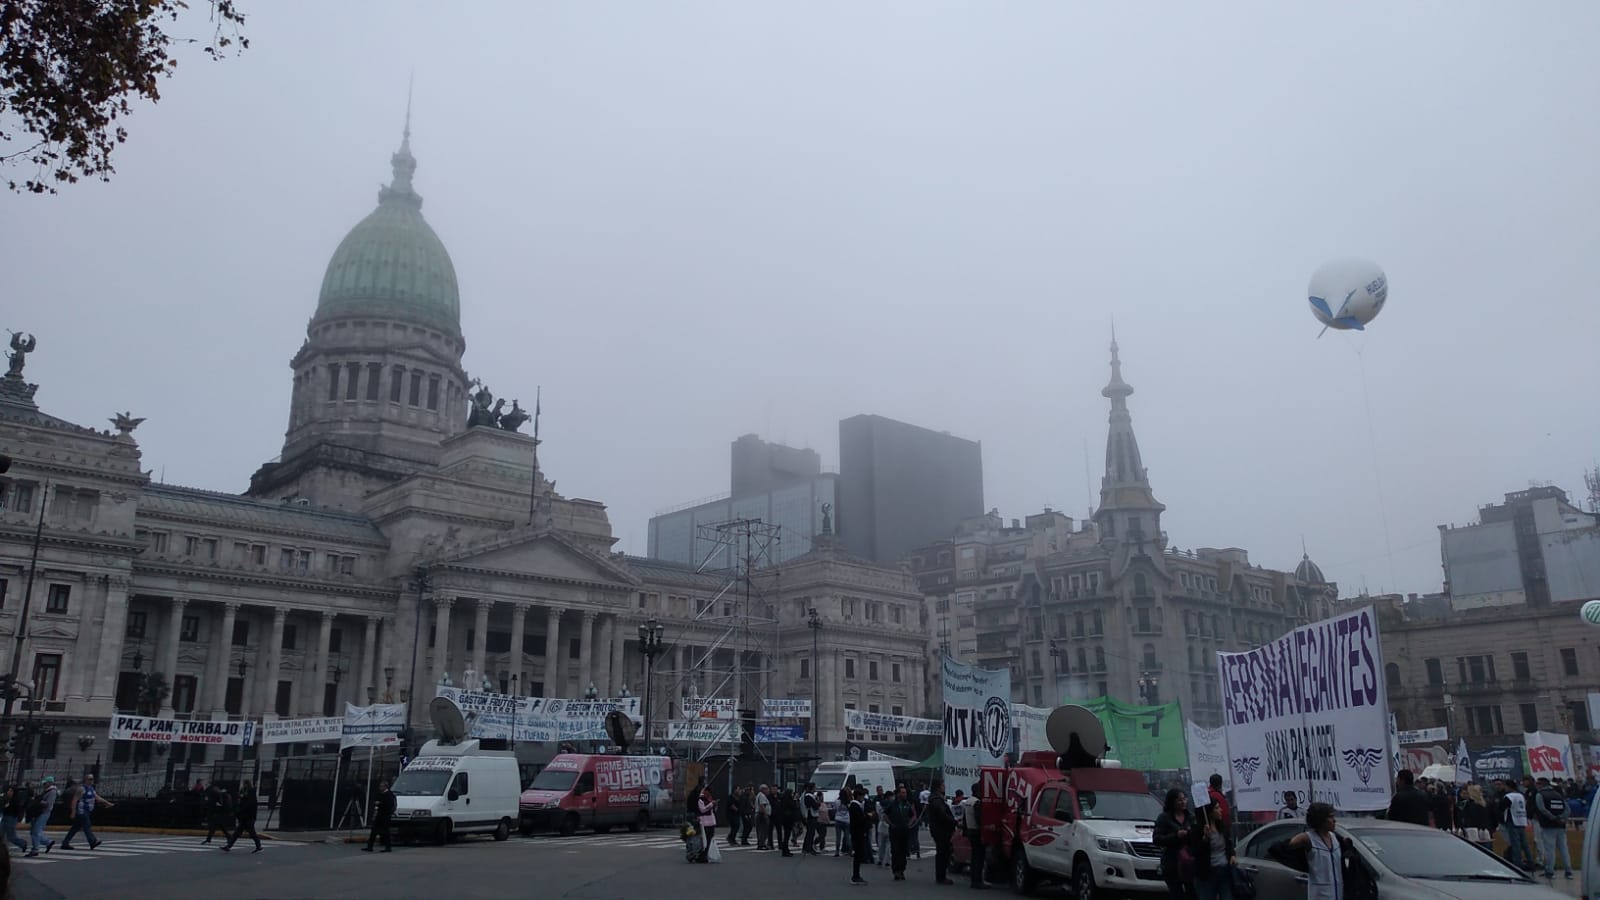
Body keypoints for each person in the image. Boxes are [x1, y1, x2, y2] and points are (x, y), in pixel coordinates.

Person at [1286, 802, 1343, 900]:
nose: (1334, 820)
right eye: (1330, 817)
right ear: (1320, 820)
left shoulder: (1334, 838)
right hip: (1320, 895)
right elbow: (1291, 844)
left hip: (1337, 893)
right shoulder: (1309, 838)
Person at [1153, 788, 1198, 899]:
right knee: (1177, 894)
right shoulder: (1164, 818)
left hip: (1189, 863)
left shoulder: (1190, 817)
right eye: (1179, 800)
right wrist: (1176, 835)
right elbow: (1157, 839)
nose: (1183, 802)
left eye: (1184, 799)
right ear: (1172, 802)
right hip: (1172, 863)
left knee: (1193, 894)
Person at [1533, 777, 1573, 880]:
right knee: (1564, 849)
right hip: (1561, 826)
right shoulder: (1558, 794)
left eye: (1537, 784)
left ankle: (1550, 871)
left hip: (1548, 825)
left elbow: (1542, 809)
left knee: (1549, 849)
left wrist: (1554, 818)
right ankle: (1568, 871)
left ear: (1541, 784)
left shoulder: (1540, 795)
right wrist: (1562, 818)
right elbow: (1568, 809)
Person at [1194, 802, 1236, 900]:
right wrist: (1205, 839)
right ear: (1210, 813)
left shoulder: (1222, 827)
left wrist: (1232, 855)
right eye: (1217, 808)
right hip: (1208, 873)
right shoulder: (1197, 830)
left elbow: (1228, 845)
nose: (1220, 810)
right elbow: (1195, 851)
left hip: (1224, 870)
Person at [60, 774, 112, 850]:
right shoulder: (81, 789)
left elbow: (97, 797)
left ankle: (65, 843)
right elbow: (74, 800)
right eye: (90, 779)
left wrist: (107, 803)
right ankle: (92, 841)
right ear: (86, 780)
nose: (91, 781)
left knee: (75, 827)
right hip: (82, 811)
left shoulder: (91, 789)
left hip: (87, 811)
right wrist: (73, 811)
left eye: (92, 779)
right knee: (87, 825)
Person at [925, 782, 957, 886]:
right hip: (941, 831)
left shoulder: (935, 799)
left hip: (939, 830)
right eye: (943, 786)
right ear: (938, 788)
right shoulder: (937, 800)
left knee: (942, 853)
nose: (944, 788)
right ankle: (941, 876)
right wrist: (953, 821)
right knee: (943, 853)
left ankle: (941, 876)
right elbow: (942, 814)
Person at [884, 783, 916, 881]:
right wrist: (891, 824)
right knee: (895, 851)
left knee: (903, 851)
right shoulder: (892, 804)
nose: (904, 794)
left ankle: (902, 870)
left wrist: (909, 824)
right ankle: (896, 871)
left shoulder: (907, 804)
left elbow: (913, 815)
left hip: (904, 831)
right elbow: (885, 815)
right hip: (895, 831)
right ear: (898, 794)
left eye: (905, 792)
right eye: (902, 792)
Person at [220, 780, 262, 853]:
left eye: (244, 784)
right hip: (244, 816)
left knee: (252, 832)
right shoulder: (244, 791)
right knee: (237, 832)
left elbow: (250, 804)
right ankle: (228, 846)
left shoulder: (251, 792)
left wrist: (241, 806)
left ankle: (258, 846)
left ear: (247, 784)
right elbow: (241, 801)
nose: (243, 785)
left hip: (249, 816)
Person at [1498, 777, 1531, 869]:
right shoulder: (1521, 795)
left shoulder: (1509, 796)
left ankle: (1517, 863)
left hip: (1513, 820)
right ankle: (1530, 860)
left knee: (1515, 843)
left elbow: (1501, 807)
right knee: (1524, 843)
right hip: (1521, 820)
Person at [848, 786, 875, 886]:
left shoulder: (856, 805)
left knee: (859, 855)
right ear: (858, 796)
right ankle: (855, 876)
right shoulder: (855, 806)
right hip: (857, 832)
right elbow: (860, 819)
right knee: (858, 855)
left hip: (857, 831)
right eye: (862, 795)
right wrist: (868, 816)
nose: (863, 797)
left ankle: (856, 875)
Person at [25, 776, 57, 858]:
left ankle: (35, 849)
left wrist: (38, 801)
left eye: (45, 783)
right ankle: (48, 842)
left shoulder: (52, 792)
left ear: (50, 783)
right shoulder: (47, 791)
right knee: (34, 831)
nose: (44, 784)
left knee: (36, 831)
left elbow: (48, 804)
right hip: (40, 812)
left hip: (44, 812)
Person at [964, 784, 988, 889]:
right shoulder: (977, 802)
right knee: (979, 857)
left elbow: (965, 818)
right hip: (977, 832)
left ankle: (974, 880)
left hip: (970, 830)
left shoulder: (968, 801)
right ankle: (978, 881)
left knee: (974, 857)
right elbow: (979, 819)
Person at [363, 779, 396, 852]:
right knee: (373, 831)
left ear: (386, 787)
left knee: (385, 832)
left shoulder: (389, 795)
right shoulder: (380, 794)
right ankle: (370, 846)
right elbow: (376, 802)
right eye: (380, 786)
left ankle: (388, 847)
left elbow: (390, 805)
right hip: (378, 815)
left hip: (385, 816)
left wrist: (380, 804)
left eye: (382, 786)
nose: (380, 787)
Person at [1458, 783, 1492, 851]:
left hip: (1472, 830)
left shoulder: (1468, 805)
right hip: (1484, 830)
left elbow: (1466, 818)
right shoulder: (1485, 804)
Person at [1, 783, 29, 855]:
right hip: (5, 817)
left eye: (11, 791)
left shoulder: (16, 801)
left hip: (11, 818)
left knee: (11, 836)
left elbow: (17, 811)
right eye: (8, 791)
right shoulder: (6, 798)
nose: (8, 792)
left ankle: (22, 843)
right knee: (1, 833)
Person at [203, 780, 232, 844]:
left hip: (216, 811)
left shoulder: (212, 791)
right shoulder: (216, 790)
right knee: (216, 825)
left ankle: (229, 837)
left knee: (216, 825)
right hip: (219, 811)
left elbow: (211, 802)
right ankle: (209, 839)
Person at [774, 787, 797, 857]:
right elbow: (794, 806)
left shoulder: (782, 800)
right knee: (787, 835)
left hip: (784, 819)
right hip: (788, 819)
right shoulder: (789, 800)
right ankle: (785, 850)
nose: (793, 794)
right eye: (792, 793)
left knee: (786, 835)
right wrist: (795, 800)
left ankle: (786, 849)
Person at [802, 783, 821, 855]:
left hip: (812, 815)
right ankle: (809, 848)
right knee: (811, 833)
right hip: (811, 816)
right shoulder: (808, 796)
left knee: (810, 833)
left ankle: (806, 847)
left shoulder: (811, 796)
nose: (815, 789)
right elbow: (815, 806)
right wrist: (818, 803)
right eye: (814, 787)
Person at [754, 784, 773, 850]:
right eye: (767, 789)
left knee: (761, 830)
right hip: (761, 815)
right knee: (763, 830)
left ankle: (761, 844)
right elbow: (762, 806)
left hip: (760, 814)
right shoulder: (762, 795)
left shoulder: (760, 795)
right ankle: (761, 844)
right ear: (763, 789)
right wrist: (765, 814)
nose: (768, 790)